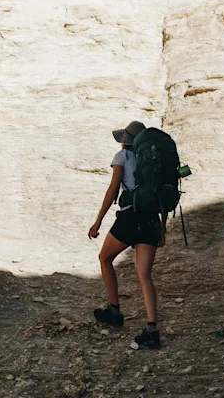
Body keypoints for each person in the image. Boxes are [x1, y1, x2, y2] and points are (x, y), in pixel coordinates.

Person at [87, 120, 164, 349]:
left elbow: (113, 189)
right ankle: (152, 330)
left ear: (125, 142)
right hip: (150, 219)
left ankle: (114, 311)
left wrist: (98, 220)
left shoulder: (122, 158)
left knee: (105, 258)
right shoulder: (153, 159)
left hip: (130, 218)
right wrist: (160, 227)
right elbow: (157, 195)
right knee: (145, 276)